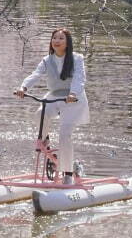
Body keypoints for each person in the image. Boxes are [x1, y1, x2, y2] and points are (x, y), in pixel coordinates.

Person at [14, 28, 89, 184]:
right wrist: (23, 88)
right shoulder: (47, 60)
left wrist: (73, 93)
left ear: (67, 42)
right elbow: (35, 74)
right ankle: (45, 138)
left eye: (61, 38)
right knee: (40, 114)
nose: (56, 41)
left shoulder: (77, 59)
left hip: (73, 99)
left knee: (65, 134)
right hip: (55, 96)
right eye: (54, 38)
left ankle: (68, 174)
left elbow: (79, 78)